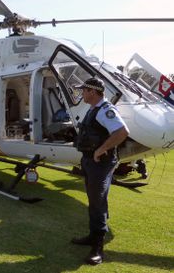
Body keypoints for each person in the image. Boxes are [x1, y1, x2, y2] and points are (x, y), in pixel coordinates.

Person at [72, 77, 129, 265]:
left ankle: (98, 248)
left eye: (84, 90)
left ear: (93, 92)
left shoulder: (106, 110)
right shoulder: (93, 109)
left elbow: (121, 132)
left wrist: (101, 149)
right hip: (90, 161)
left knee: (98, 202)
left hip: (100, 163)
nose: (82, 93)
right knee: (93, 199)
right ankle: (92, 236)